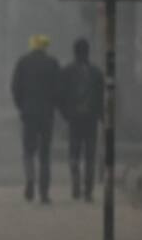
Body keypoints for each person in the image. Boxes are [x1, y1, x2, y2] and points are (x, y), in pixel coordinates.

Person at [11, 34, 60, 203]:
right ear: (45, 47)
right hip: (47, 114)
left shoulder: (23, 62)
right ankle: (44, 192)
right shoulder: (52, 63)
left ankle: (30, 179)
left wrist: (22, 106)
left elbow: (15, 88)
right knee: (45, 154)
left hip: (28, 113)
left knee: (28, 151)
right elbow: (58, 89)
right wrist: (53, 106)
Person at [58, 38, 104, 201]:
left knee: (74, 153)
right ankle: (88, 190)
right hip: (91, 120)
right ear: (88, 52)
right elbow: (102, 98)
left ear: (74, 52)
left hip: (74, 120)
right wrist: (102, 117)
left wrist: (66, 114)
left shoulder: (66, 72)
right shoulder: (97, 73)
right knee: (90, 155)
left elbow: (60, 96)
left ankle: (76, 185)